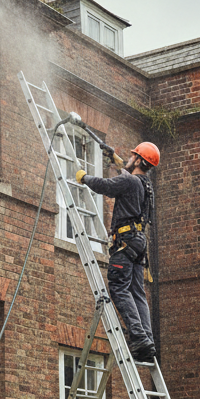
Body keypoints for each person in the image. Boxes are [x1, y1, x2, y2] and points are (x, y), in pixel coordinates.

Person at [76, 142, 159, 363]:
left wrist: (84, 178)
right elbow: (127, 174)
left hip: (125, 242)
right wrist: (116, 159)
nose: (129, 158)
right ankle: (147, 341)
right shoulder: (145, 185)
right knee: (137, 292)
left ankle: (138, 337)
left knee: (119, 288)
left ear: (140, 160)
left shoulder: (130, 181)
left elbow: (107, 186)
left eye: (133, 156)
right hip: (138, 243)